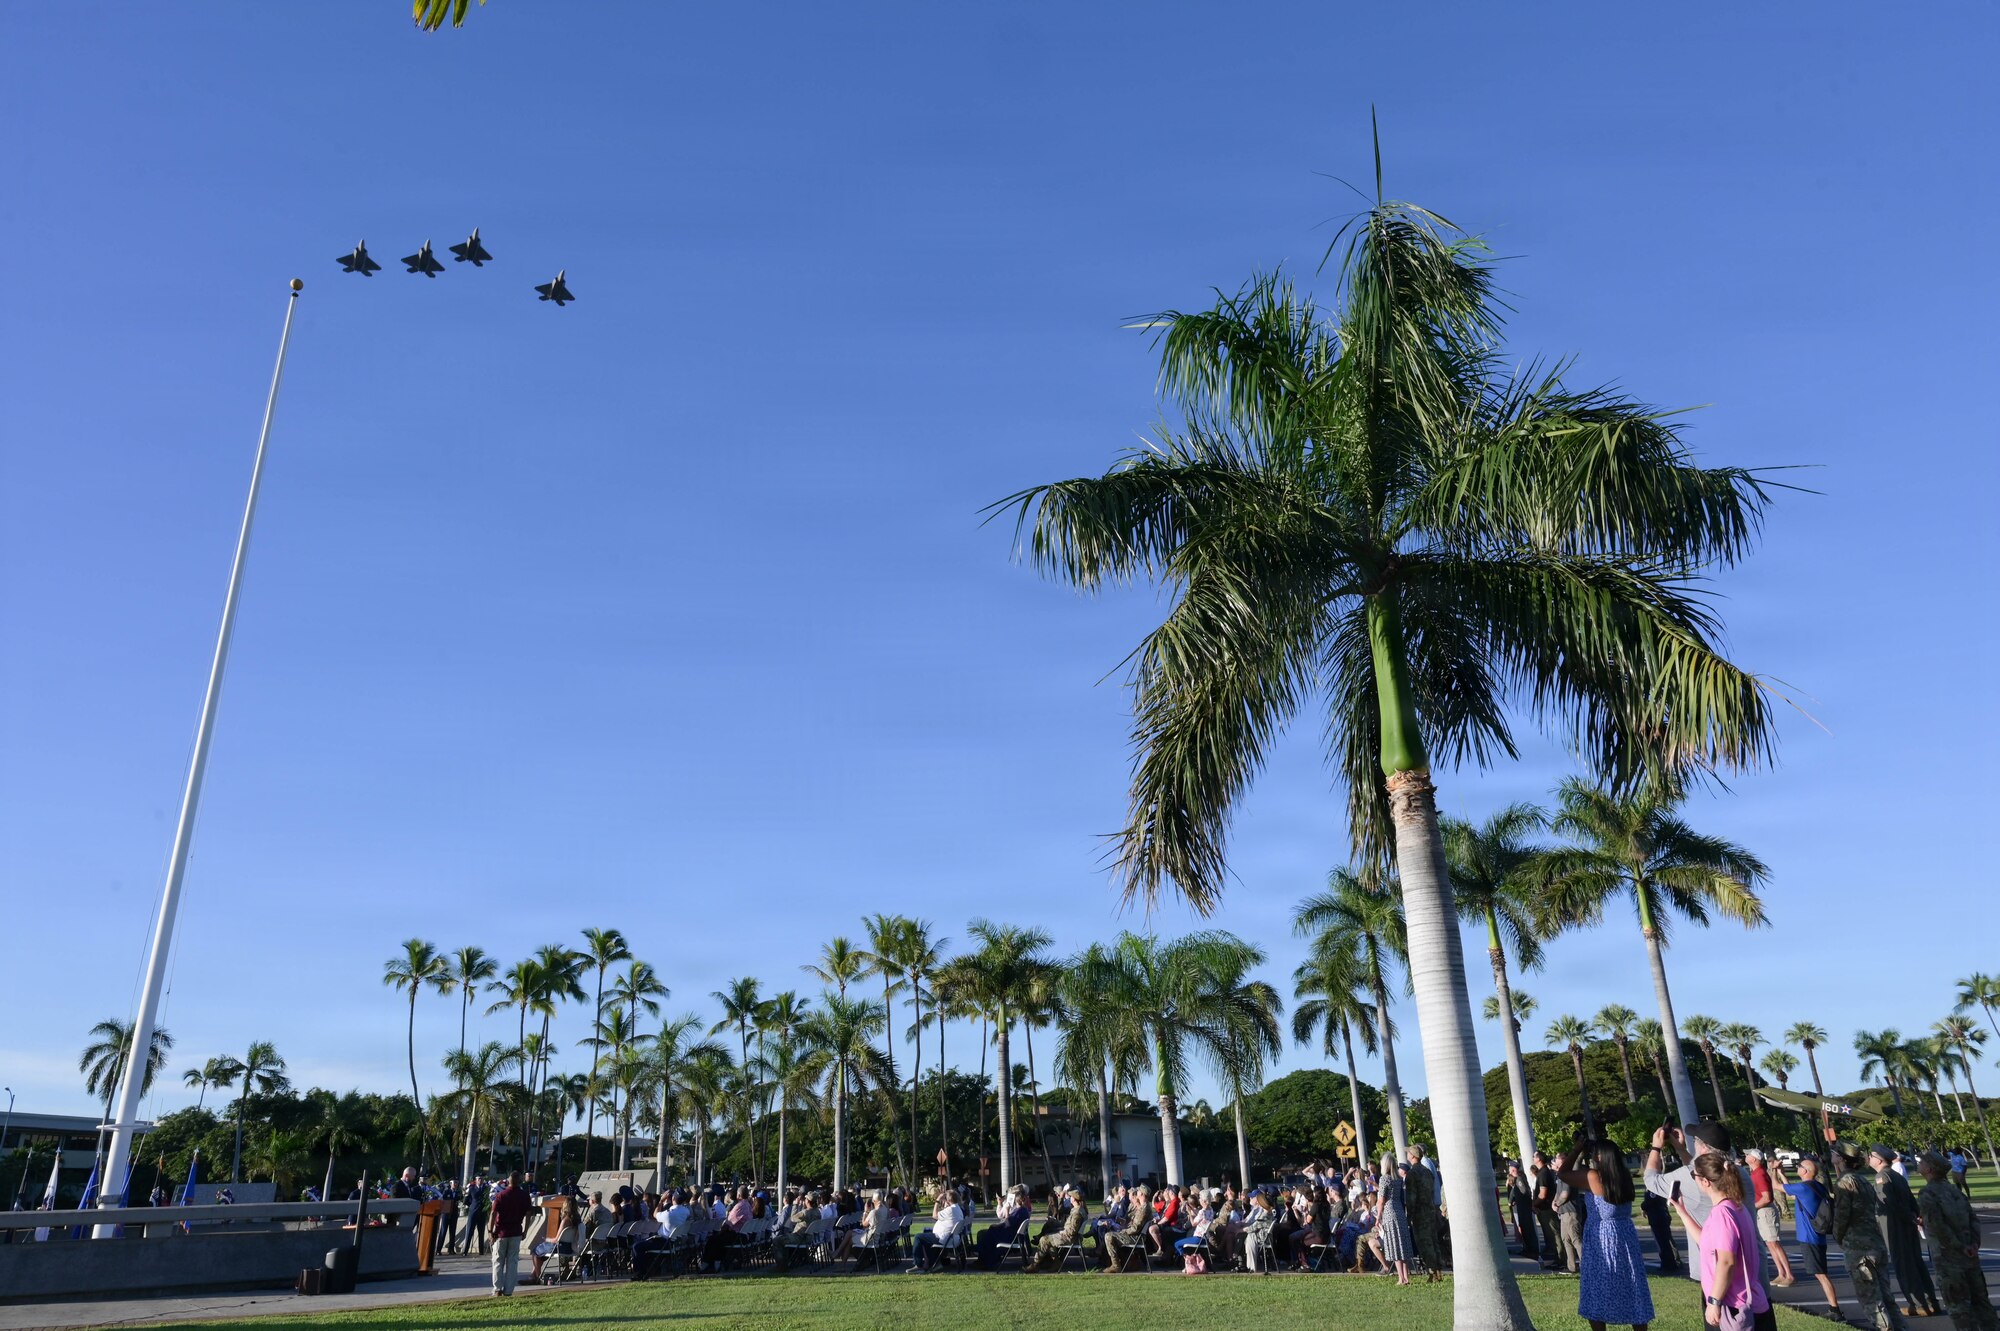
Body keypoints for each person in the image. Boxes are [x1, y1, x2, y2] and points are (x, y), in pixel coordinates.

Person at [1671, 1153, 1773, 1331]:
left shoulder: (1722, 1214)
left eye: (1694, 1175)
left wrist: (1714, 1301)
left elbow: (1726, 1262)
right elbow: (1706, 1242)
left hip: (1734, 1306)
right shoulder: (1735, 1207)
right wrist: (1682, 1211)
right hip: (1746, 1301)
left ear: (1705, 1182)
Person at [1562, 1138, 1654, 1331]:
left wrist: (1577, 1148)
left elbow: (1563, 1173)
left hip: (1601, 1236)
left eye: (1595, 1153)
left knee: (1597, 1288)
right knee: (1632, 1285)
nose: (1593, 1156)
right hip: (1625, 1234)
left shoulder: (1594, 1176)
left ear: (1602, 1156)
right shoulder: (1623, 1176)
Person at [1826, 1144, 1908, 1331]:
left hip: (1858, 1247)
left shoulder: (1845, 1182)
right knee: (1887, 1298)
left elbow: (1842, 1216)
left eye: (1834, 1153)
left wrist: (1838, 1236)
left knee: (1872, 1301)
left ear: (1841, 1158)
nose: (1831, 1156)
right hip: (1875, 1242)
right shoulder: (1862, 1180)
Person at [1915, 1151, 2000, 1331]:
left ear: (1929, 1169)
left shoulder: (1927, 1193)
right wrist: (1974, 1244)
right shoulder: (1953, 1190)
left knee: (1959, 1309)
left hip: (1948, 1259)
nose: (1919, 1163)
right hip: (1970, 1255)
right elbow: (1973, 1219)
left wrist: (1959, 1247)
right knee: (1982, 1304)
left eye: (1922, 1161)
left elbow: (1938, 1227)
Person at [1870, 1146, 1943, 1318]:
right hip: (1907, 1224)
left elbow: (1889, 1204)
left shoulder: (1882, 1176)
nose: (1869, 1158)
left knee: (1903, 1265)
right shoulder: (1895, 1175)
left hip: (1895, 1225)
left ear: (1879, 1160)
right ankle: (1931, 1301)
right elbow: (1910, 1199)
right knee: (1916, 1263)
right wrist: (1915, 1216)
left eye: (1871, 1156)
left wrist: (1909, 1217)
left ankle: (1917, 1304)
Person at [1769, 1156, 1841, 1317]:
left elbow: (1775, 1186)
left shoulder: (1803, 1188)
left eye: (1800, 1166)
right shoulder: (1816, 1187)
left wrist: (1773, 1169)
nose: (1798, 1168)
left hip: (1810, 1238)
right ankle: (1834, 1308)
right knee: (1821, 1273)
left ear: (1806, 1171)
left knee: (1822, 1275)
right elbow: (1793, 1195)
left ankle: (1835, 1310)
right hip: (1817, 1236)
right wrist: (1781, 1173)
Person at [1741, 1150, 1793, 1287]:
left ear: (1754, 1159)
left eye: (1748, 1154)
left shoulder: (1760, 1174)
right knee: (1770, 1244)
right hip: (1761, 1211)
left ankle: (1789, 1275)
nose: (1746, 1156)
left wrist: (1752, 1206)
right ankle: (1781, 1273)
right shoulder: (1755, 1173)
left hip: (1766, 1211)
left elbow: (1767, 1197)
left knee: (1774, 1243)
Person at [1371, 1154, 1415, 1285]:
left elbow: (1381, 1200)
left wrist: (1378, 1217)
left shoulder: (1384, 1178)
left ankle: (1401, 1278)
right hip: (1400, 1211)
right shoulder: (1398, 1179)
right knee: (1402, 1245)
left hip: (1389, 1212)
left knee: (1395, 1246)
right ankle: (1406, 1277)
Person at [488, 1170, 532, 1297]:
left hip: (501, 1233)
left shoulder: (501, 1195)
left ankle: (497, 1289)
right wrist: (526, 1231)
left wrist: (490, 1231)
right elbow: (529, 1214)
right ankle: (508, 1291)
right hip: (516, 1232)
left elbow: (493, 1214)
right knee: (512, 1263)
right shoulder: (524, 1196)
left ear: (508, 1181)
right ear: (519, 1181)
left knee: (498, 1261)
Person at [1404, 1147, 1446, 1279]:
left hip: (1419, 1214)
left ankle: (1433, 1272)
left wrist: (1409, 1216)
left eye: (1408, 1153)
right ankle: (1438, 1270)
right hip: (1430, 1210)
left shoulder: (1412, 1174)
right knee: (1433, 1241)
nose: (1407, 1155)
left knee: (1424, 1243)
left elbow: (1411, 1198)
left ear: (1413, 1156)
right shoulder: (1427, 1172)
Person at [1025, 1186, 1088, 1272]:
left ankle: (1036, 1264)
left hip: (1070, 1237)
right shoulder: (1078, 1210)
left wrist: (1061, 1231)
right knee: (1048, 1237)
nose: (1069, 1198)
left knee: (1044, 1239)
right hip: (1069, 1235)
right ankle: (1055, 1262)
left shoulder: (1077, 1213)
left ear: (1074, 1199)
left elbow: (1072, 1231)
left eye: (1071, 1197)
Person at [911, 1188, 967, 1272]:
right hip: (952, 1238)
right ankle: (932, 1263)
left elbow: (934, 1215)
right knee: (925, 1235)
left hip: (945, 1238)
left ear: (948, 1200)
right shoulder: (957, 1208)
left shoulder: (951, 1209)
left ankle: (918, 1264)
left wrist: (937, 1201)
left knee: (918, 1237)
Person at [976, 1185, 1031, 1269]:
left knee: (988, 1236)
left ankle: (987, 1262)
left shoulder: (1020, 1211)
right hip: (1013, 1235)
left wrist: (1007, 1211)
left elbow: (1009, 1224)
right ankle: (984, 1260)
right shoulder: (1022, 1210)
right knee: (988, 1233)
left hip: (1010, 1237)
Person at [530, 1196, 581, 1282]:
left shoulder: (565, 1221)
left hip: (559, 1247)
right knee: (541, 1254)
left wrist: (547, 1239)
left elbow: (557, 1239)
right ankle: (533, 1275)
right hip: (569, 1248)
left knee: (535, 1251)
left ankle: (538, 1277)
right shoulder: (578, 1220)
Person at [1552, 1150, 1586, 1279]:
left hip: (1571, 1212)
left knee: (1576, 1239)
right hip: (1563, 1212)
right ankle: (1572, 1267)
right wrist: (1554, 1203)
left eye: (1557, 1159)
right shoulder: (1560, 1176)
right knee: (1566, 1239)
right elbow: (1558, 1193)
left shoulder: (1568, 1175)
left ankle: (1586, 1266)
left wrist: (1557, 1203)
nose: (1555, 1161)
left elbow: (1565, 1194)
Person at [1101, 1184, 1150, 1271]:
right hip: (1134, 1234)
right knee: (1111, 1233)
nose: (1136, 1192)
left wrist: (1123, 1231)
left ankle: (1116, 1265)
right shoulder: (1143, 1207)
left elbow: (1135, 1228)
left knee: (1109, 1236)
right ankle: (1118, 1262)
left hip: (1136, 1237)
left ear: (1142, 1194)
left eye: (1138, 1191)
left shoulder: (1143, 1209)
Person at [1505, 1161, 1540, 1262]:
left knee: (1528, 1229)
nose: (1509, 1170)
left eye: (1510, 1168)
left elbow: (1524, 1191)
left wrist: (1519, 1201)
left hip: (1524, 1207)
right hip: (1522, 1207)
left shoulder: (1519, 1178)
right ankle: (1527, 1249)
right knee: (1524, 1229)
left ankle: (1532, 1250)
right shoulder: (1518, 1178)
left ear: (1513, 1169)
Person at [1535, 1151, 1565, 1271]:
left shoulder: (1543, 1173)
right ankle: (1556, 1258)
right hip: (1544, 1208)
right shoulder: (1543, 1172)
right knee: (1550, 1235)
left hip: (1547, 1209)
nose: (1532, 1158)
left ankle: (1561, 1259)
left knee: (1554, 1234)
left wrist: (1534, 1204)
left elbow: (1543, 1194)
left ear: (1538, 1159)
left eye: (1534, 1156)